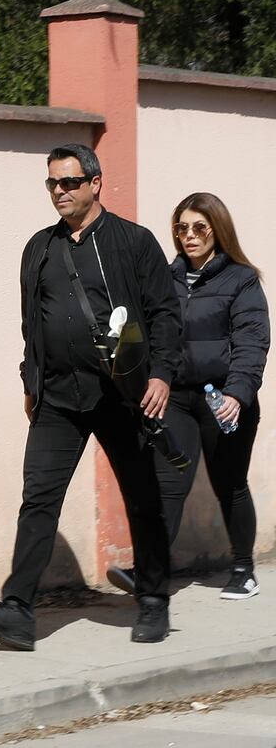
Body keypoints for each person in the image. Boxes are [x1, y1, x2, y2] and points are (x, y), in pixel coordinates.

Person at [0, 144, 182, 650]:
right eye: (52, 184)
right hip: (58, 397)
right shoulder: (39, 247)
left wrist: (161, 376)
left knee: (141, 495)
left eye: (69, 182)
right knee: (38, 497)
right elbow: (30, 323)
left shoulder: (134, 242)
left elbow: (166, 314)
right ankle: (17, 609)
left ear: (95, 183)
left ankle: (152, 597)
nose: (59, 192)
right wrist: (29, 379)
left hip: (122, 394)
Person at [109, 194, 267, 600]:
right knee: (166, 485)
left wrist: (238, 393)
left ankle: (243, 569)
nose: (189, 235)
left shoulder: (241, 279)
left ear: (218, 229)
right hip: (176, 396)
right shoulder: (166, 276)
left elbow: (252, 341)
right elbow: (148, 329)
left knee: (229, 483)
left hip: (222, 398)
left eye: (199, 227)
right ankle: (149, 571)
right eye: (181, 227)